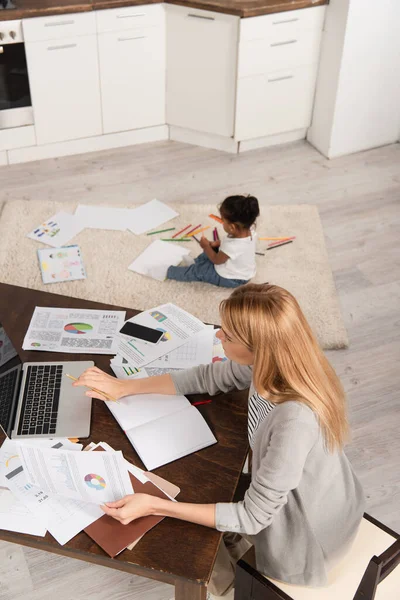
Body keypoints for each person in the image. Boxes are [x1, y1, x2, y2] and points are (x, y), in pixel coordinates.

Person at [73, 284, 365, 596]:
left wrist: (157, 506)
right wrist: (125, 387)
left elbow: (252, 517)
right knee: (197, 493)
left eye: (228, 335)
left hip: (306, 541)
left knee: (177, 530)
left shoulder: (294, 421)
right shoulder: (281, 363)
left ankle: (227, 590)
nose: (218, 337)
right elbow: (209, 377)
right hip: (324, 497)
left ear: (258, 348)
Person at [166, 194, 260, 288]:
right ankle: (197, 262)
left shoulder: (233, 246)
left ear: (232, 227)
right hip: (244, 272)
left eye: (223, 221)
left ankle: (168, 271)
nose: (222, 223)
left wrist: (206, 246)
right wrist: (217, 243)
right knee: (212, 249)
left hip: (233, 278)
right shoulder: (250, 232)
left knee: (200, 271)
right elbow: (234, 248)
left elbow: (217, 260)